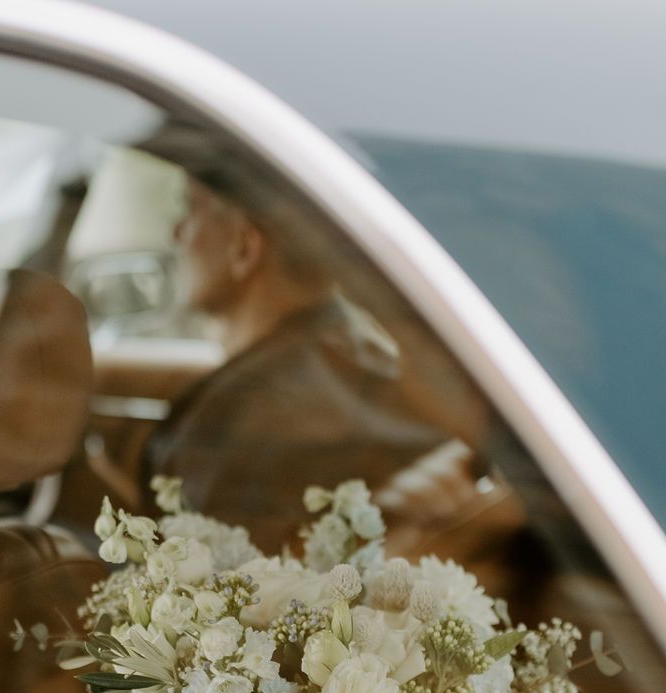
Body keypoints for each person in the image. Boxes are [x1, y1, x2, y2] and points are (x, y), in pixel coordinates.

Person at [141, 165, 468, 551]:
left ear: (244, 247)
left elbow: (193, 588)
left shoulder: (232, 423)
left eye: (190, 209)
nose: (176, 233)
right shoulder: (371, 358)